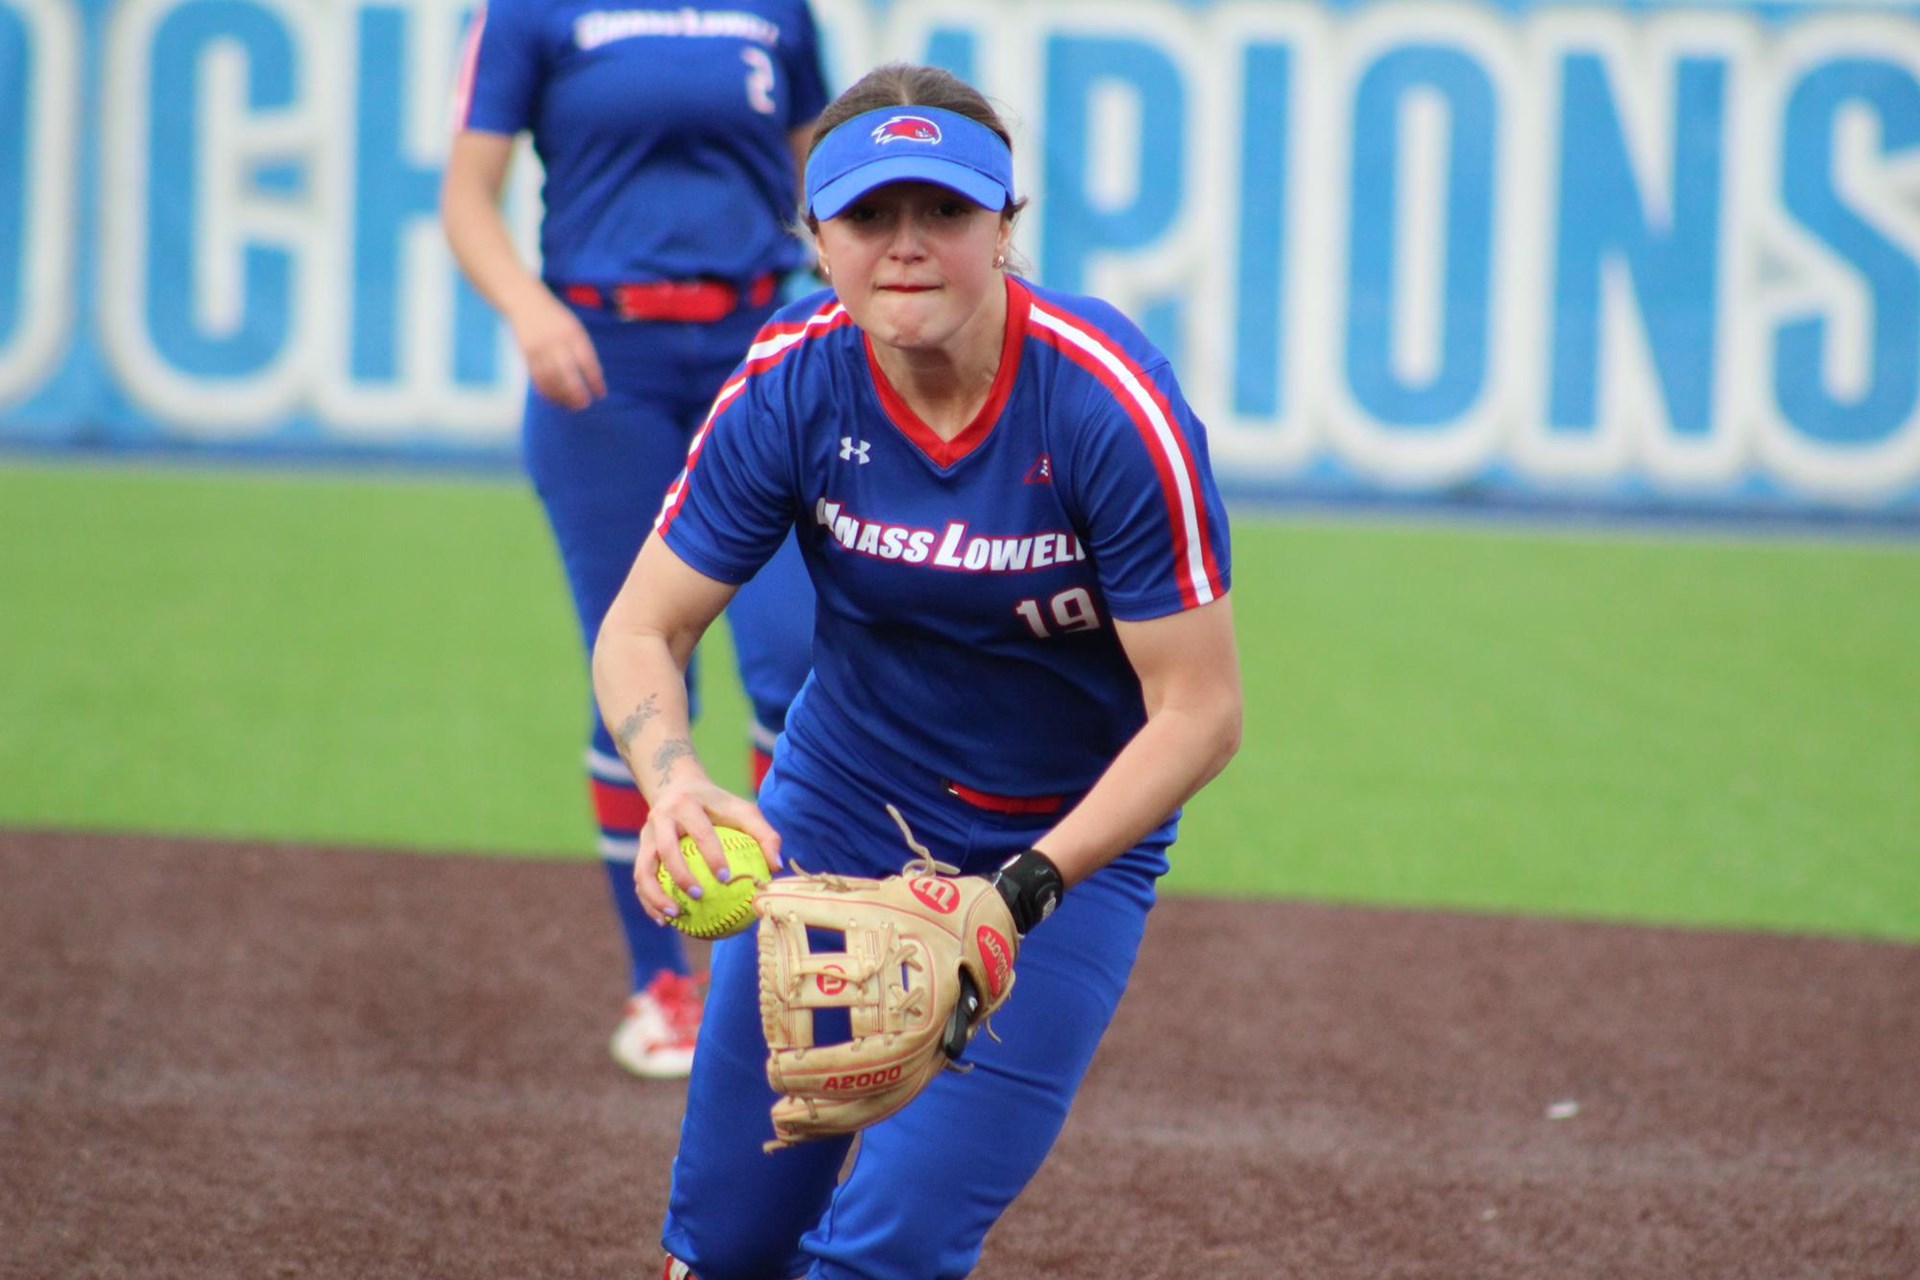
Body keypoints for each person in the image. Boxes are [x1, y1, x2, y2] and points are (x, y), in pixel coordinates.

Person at [593, 62, 1242, 1278]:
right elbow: (642, 627)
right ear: (815, 239)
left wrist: (1022, 893)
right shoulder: (792, 379)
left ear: (1006, 227)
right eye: (868, 215)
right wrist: (672, 775)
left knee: (888, 1248)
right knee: (724, 1244)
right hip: (838, 808)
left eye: (945, 211)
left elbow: (1202, 712)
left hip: (1058, 852)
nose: (907, 246)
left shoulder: (1104, 404)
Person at [439, 0, 827, 1079]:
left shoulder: (777, 11)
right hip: (603, 363)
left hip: (762, 349)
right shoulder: (531, 11)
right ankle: (665, 978)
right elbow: (468, 198)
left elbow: (819, 182)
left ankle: (778, 961)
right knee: (644, 671)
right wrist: (527, 307)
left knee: (798, 663)